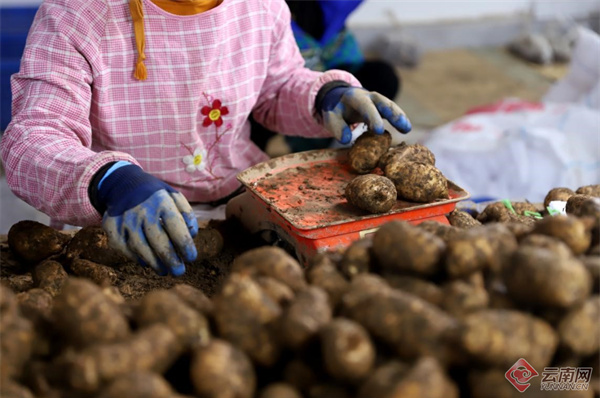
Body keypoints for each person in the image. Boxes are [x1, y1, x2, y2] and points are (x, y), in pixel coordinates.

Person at [1, 0, 411, 277]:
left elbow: (277, 85)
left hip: (243, 205)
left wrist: (324, 96)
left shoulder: (260, 7)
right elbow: (33, 137)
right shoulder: (77, 15)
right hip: (121, 225)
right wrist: (110, 180)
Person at [251, 0, 401, 152]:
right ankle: (257, 149)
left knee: (380, 79)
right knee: (251, 99)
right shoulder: (257, 14)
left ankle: (331, 145)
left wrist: (331, 91)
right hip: (268, 60)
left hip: (326, 36)